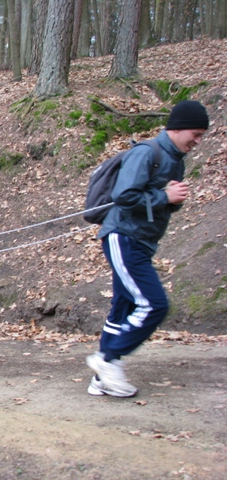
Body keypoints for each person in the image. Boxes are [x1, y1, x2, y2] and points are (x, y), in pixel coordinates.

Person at [86, 100, 209, 397]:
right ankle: (107, 359)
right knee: (154, 304)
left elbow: (159, 203)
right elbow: (124, 196)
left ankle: (102, 379)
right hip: (123, 236)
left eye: (201, 135)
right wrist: (164, 197)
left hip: (140, 240)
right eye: (196, 133)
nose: (198, 141)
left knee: (123, 305)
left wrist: (171, 200)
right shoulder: (146, 152)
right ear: (177, 127)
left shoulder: (175, 160)